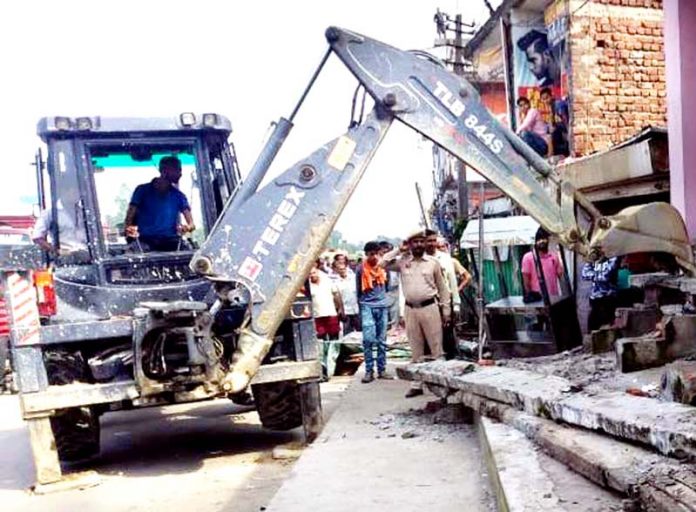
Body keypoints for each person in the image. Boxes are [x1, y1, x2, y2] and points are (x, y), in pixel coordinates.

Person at [383, 230, 450, 398]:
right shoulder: (403, 262)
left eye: (421, 241)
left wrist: (446, 310)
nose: (419, 244)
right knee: (415, 349)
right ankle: (416, 385)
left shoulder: (433, 263)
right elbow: (382, 264)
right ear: (410, 244)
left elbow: (443, 288)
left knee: (436, 348)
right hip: (410, 309)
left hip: (430, 308)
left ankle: (440, 384)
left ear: (425, 243)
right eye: (415, 242)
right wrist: (399, 249)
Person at [124, 156, 195, 252]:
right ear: (165, 171)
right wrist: (129, 228)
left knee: (190, 253)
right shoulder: (142, 191)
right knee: (131, 254)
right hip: (144, 241)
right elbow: (130, 216)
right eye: (177, 170)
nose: (180, 174)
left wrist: (187, 228)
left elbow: (192, 224)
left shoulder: (179, 196)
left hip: (170, 242)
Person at [355, 241, 394, 383]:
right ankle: (369, 371)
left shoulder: (384, 268)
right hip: (367, 305)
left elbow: (387, 287)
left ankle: (382, 369)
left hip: (382, 305)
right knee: (368, 340)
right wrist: (362, 307)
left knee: (382, 340)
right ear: (366, 254)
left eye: (377, 254)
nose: (374, 257)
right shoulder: (360, 269)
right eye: (371, 254)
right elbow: (358, 290)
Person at [425, 231, 461, 359]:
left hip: (445, 303)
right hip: (428, 304)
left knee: (448, 338)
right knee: (429, 338)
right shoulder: (419, 259)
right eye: (428, 241)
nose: (432, 244)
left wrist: (456, 304)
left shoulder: (445, 258)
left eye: (434, 240)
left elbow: (452, 282)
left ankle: (450, 364)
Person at [309, 266, 343, 380]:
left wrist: (340, 309)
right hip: (317, 317)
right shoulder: (307, 285)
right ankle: (323, 370)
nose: (312, 275)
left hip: (331, 314)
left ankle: (332, 369)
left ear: (317, 271)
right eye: (310, 274)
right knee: (321, 344)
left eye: (314, 273)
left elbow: (337, 294)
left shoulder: (327, 280)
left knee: (334, 343)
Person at [521, 228, 563, 303]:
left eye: (543, 238)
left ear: (548, 240)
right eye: (538, 239)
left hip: (553, 299)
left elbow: (560, 275)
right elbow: (526, 282)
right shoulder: (528, 258)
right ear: (535, 242)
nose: (541, 241)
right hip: (537, 300)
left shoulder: (553, 257)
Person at [582, 256, 620, 331]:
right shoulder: (592, 257)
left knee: (610, 324)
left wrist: (593, 275)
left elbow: (606, 276)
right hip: (595, 297)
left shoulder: (613, 257)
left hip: (609, 297)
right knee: (593, 326)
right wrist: (598, 275)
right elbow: (584, 274)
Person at [332, 260, 361, 334]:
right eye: (340, 269)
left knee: (360, 331)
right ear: (337, 270)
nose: (342, 271)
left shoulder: (354, 278)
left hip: (356, 309)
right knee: (347, 333)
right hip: (346, 310)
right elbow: (338, 297)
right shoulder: (336, 282)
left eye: (344, 269)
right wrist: (341, 310)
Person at [540, 87, 569, 157]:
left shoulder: (558, 105)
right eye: (543, 99)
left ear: (551, 96)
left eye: (547, 98)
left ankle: (551, 153)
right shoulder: (551, 108)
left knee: (551, 134)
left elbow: (565, 120)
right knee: (549, 132)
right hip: (561, 133)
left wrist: (568, 135)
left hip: (566, 132)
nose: (545, 101)